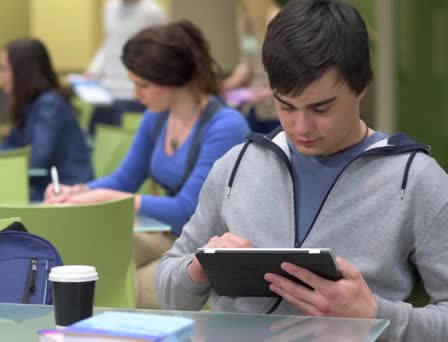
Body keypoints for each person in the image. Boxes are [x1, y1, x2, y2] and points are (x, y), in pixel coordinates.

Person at [157, 1, 448, 341]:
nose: (301, 126)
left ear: (361, 86)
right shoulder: (236, 165)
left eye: (321, 108)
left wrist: (375, 315)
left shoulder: (417, 181)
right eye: (286, 106)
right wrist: (200, 267)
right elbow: (168, 292)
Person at [46, 21, 250, 308]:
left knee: (126, 284)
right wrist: (78, 191)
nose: (136, 94)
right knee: (94, 253)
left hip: (205, 247)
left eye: (143, 85)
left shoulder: (224, 125)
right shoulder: (157, 118)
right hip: (168, 237)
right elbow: (123, 179)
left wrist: (105, 197)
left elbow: (186, 211)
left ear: (172, 79)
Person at [0, 38, 94, 201]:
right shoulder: (30, 104)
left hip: (65, 192)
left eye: (5, 69)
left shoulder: (50, 104)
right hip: (42, 188)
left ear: (23, 71)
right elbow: (12, 145)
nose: (0, 75)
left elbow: (35, 160)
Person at [86, 0, 166, 133]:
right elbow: (109, 42)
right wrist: (93, 70)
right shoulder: (109, 7)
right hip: (106, 89)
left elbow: (157, 52)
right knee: (96, 139)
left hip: (132, 92)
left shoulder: (153, 12)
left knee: (124, 143)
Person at [223, 0, 280, 134]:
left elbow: (290, 71)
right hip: (254, 107)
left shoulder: (277, 22)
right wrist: (224, 86)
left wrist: (266, 92)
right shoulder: (247, 23)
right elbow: (247, 64)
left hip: (275, 110)